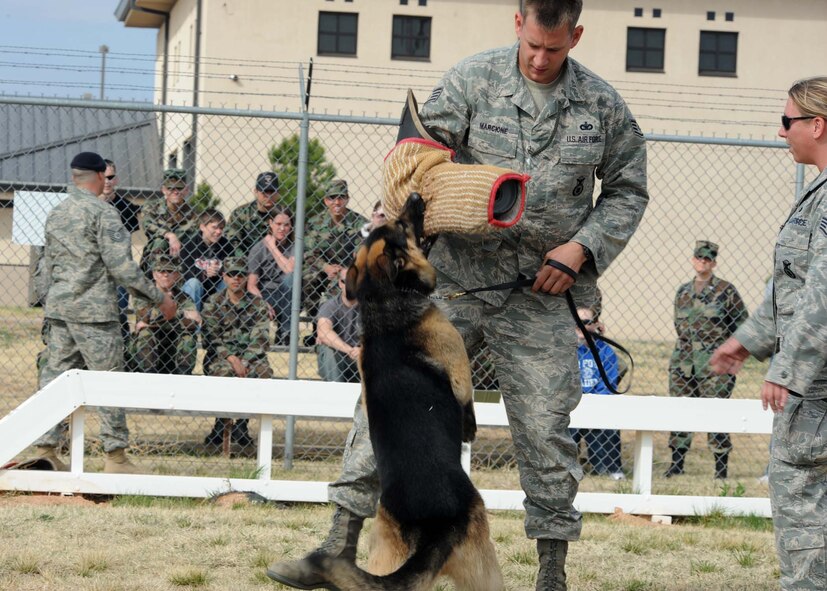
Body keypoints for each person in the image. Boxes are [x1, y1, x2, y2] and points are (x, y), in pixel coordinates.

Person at [267, 1, 648, 589]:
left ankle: (552, 573)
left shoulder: (602, 106)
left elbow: (628, 191)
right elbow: (413, 161)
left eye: (556, 48)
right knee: (384, 403)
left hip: (543, 293)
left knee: (545, 429)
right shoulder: (472, 80)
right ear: (517, 24)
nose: (542, 60)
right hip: (454, 286)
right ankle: (336, 545)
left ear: (575, 34)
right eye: (533, 47)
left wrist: (583, 249)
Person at [710, 76, 827, 591]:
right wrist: (748, 339)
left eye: (788, 122)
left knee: (802, 504)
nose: (781, 133)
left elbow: (823, 299)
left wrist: (786, 372)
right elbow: (793, 290)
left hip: (817, 389)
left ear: (817, 125)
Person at [32, 151, 177, 473]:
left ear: (74, 177)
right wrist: (160, 298)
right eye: (107, 177)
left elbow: (47, 265)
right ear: (98, 177)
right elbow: (122, 268)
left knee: (55, 380)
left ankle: (46, 449)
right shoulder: (105, 214)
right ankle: (116, 457)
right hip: (94, 314)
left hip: (60, 311)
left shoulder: (56, 213)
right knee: (108, 382)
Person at [665, 241, 748, 479]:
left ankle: (720, 470)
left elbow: (742, 323)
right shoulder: (683, 292)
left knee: (716, 415)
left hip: (715, 365)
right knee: (680, 413)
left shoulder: (726, 291)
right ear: (693, 260)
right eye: (699, 258)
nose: (703, 262)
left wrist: (731, 352)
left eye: (708, 259)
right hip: (683, 362)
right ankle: (676, 465)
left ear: (714, 263)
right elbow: (679, 327)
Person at [202, 256, 273, 448]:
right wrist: (233, 359)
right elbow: (210, 337)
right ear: (224, 277)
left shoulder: (257, 304)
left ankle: (242, 424)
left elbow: (262, 337)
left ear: (246, 278)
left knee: (262, 373)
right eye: (232, 274)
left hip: (251, 357)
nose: (236, 279)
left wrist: (247, 361)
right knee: (223, 374)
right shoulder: (213, 302)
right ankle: (221, 423)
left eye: (240, 275)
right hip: (222, 357)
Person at [301, 179, 366, 338]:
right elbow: (309, 253)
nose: (337, 202)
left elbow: (363, 253)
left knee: (342, 285)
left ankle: (337, 330)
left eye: (341, 197)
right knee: (308, 279)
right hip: (323, 269)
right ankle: (318, 326)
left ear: (347, 198)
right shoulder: (315, 223)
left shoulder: (360, 223)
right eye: (332, 198)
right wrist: (326, 267)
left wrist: (345, 270)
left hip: (348, 270)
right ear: (325, 200)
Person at [570, 307, 624, 480]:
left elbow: (608, 385)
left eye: (586, 322)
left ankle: (611, 469)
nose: (580, 326)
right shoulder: (564, 349)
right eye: (576, 322)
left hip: (596, 405)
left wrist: (594, 404)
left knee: (608, 428)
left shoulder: (605, 351)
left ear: (595, 325)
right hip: (571, 405)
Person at [126, 254, 201, 375]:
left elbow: (191, 324)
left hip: (174, 347)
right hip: (149, 347)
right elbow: (146, 317)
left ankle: (183, 375)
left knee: (188, 336)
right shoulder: (143, 295)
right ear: (154, 274)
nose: (165, 274)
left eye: (170, 271)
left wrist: (155, 320)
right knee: (145, 333)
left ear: (176, 275)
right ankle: (148, 374)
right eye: (161, 271)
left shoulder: (184, 298)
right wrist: (181, 315)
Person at [100, 159, 141, 339]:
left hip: (119, 267)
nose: (107, 181)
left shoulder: (127, 207)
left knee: (119, 311)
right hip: (94, 267)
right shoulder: (88, 205)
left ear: (116, 179)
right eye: (103, 177)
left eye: (111, 177)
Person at [247, 206, 295, 346]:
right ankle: (262, 336)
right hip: (265, 294)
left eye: (286, 225)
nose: (282, 228)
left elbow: (290, 270)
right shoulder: (258, 249)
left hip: (287, 293)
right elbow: (251, 285)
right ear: (270, 223)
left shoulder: (295, 246)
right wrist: (263, 302)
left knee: (291, 280)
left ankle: (285, 333)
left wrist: (273, 247)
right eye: (278, 224)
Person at [138, 168, 197, 276]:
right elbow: (147, 225)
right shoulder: (152, 207)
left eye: (179, 188)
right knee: (160, 242)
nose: (175, 191)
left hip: (183, 260)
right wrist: (169, 235)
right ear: (164, 189)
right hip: (155, 259)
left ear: (186, 189)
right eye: (171, 188)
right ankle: (156, 281)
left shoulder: (193, 214)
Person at [179, 208, 233, 311]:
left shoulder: (227, 246)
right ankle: (193, 322)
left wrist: (219, 271)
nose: (218, 232)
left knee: (227, 283)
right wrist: (204, 273)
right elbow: (185, 273)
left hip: (216, 288)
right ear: (202, 227)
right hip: (195, 290)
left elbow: (231, 270)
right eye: (214, 227)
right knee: (193, 283)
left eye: (221, 228)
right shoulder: (189, 244)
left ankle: (222, 322)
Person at [316, 269, 361, 383]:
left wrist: (364, 350)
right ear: (341, 283)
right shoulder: (330, 305)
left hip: (364, 358)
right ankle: (336, 394)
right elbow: (323, 332)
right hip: (339, 357)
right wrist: (349, 350)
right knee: (327, 349)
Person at [224, 171, 281, 258]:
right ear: (256, 191)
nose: (269, 196)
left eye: (272, 191)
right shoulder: (241, 213)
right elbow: (233, 242)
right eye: (264, 192)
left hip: (276, 260)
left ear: (278, 193)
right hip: (245, 260)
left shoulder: (284, 215)